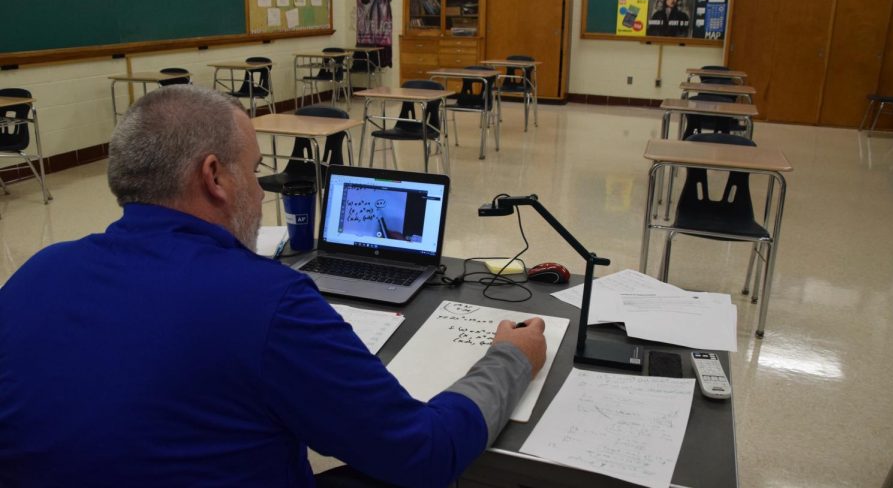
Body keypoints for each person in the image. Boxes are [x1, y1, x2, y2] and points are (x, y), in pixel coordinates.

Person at [0, 86, 547, 487]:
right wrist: (509, 358)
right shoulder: (268, 301)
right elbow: (423, 452)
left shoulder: (35, 274)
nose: (263, 196)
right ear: (214, 177)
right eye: (256, 171)